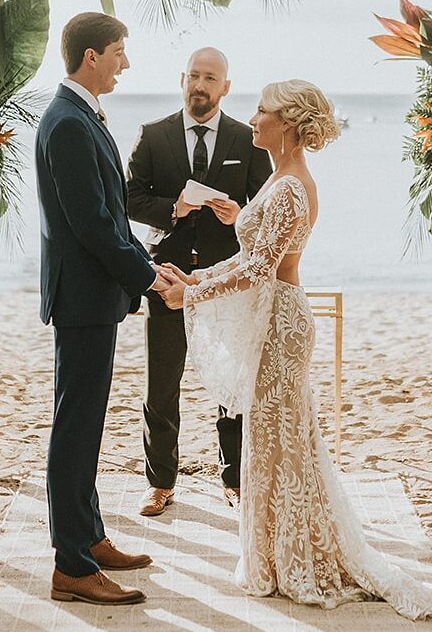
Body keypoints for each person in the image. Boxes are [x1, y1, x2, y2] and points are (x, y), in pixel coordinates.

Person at [157, 80, 432, 622]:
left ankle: (293, 558)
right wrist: (200, 274)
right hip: (276, 317)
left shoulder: (290, 188)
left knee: (286, 444)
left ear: (289, 123)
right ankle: (279, 553)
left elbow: (260, 270)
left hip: (281, 323)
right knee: (275, 442)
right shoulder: (282, 180)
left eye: (262, 111)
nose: (252, 118)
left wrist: (192, 292)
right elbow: (258, 256)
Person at [34, 12, 170, 607]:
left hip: (95, 297)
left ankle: (88, 539)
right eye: (119, 52)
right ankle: (72, 565)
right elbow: (90, 225)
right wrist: (148, 279)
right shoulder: (66, 123)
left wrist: (150, 263)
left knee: (86, 423)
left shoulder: (80, 115)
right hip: (83, 300)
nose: (125, 62)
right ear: (91, 56)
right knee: (75, 427)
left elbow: (110, 217)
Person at [125, 47, 272, 516]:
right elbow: (128, 200)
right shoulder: (153, 135)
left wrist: (240, 215)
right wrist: (173, 209)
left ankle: (234, 478)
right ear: (181, 79)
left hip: (225, 280)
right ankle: (161, 482)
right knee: (161, 383)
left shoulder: (247, 140)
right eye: (193, 75)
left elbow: (266, 209)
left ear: (225, 86)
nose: (200, 85)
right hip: (166, 277)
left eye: (210, 77)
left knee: (231, 381)